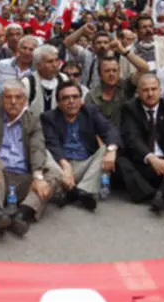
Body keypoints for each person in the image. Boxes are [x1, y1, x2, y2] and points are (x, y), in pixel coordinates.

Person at [0, 79, 60, 237]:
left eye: (18, 97)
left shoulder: (32, 119)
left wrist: (38, 177)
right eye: (8, 97)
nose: (13, 102)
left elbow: (37, 148)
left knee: (54, 174)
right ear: (1, 99)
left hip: (24, 178)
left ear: (25, 100)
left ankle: (23, 214)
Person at [119, 74, 164, 213]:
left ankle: (158, 193)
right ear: (138, 92)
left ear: (160, 90)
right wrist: (151, 158)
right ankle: (160, 194)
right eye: (145, 90)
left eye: (154, 89)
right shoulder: (130, 108)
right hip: (144, 161)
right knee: (121, 159)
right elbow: (132, 138)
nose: (150, 93)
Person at [41, 82, 122, 211]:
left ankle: (80, 191)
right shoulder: (49, 118)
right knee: (43, 152)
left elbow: (109, 130)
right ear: (58, 102)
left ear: (81, 99)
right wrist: (65, 166)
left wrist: (111, 150)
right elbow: (53, 144)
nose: (71, 101)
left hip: (86, 165)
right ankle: (81, 194)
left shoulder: (90, 112)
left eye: (75, 97)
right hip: (62, 166)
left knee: (106, 150)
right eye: (66, 98)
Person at [86, 56, 136, 127]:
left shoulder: (127, 87)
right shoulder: (91, 96)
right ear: (100, 74)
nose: (111, 74)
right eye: (107, 71)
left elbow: (144, 69)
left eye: (114, 70)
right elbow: (89, 124)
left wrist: (124, 51)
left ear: (119, 72)